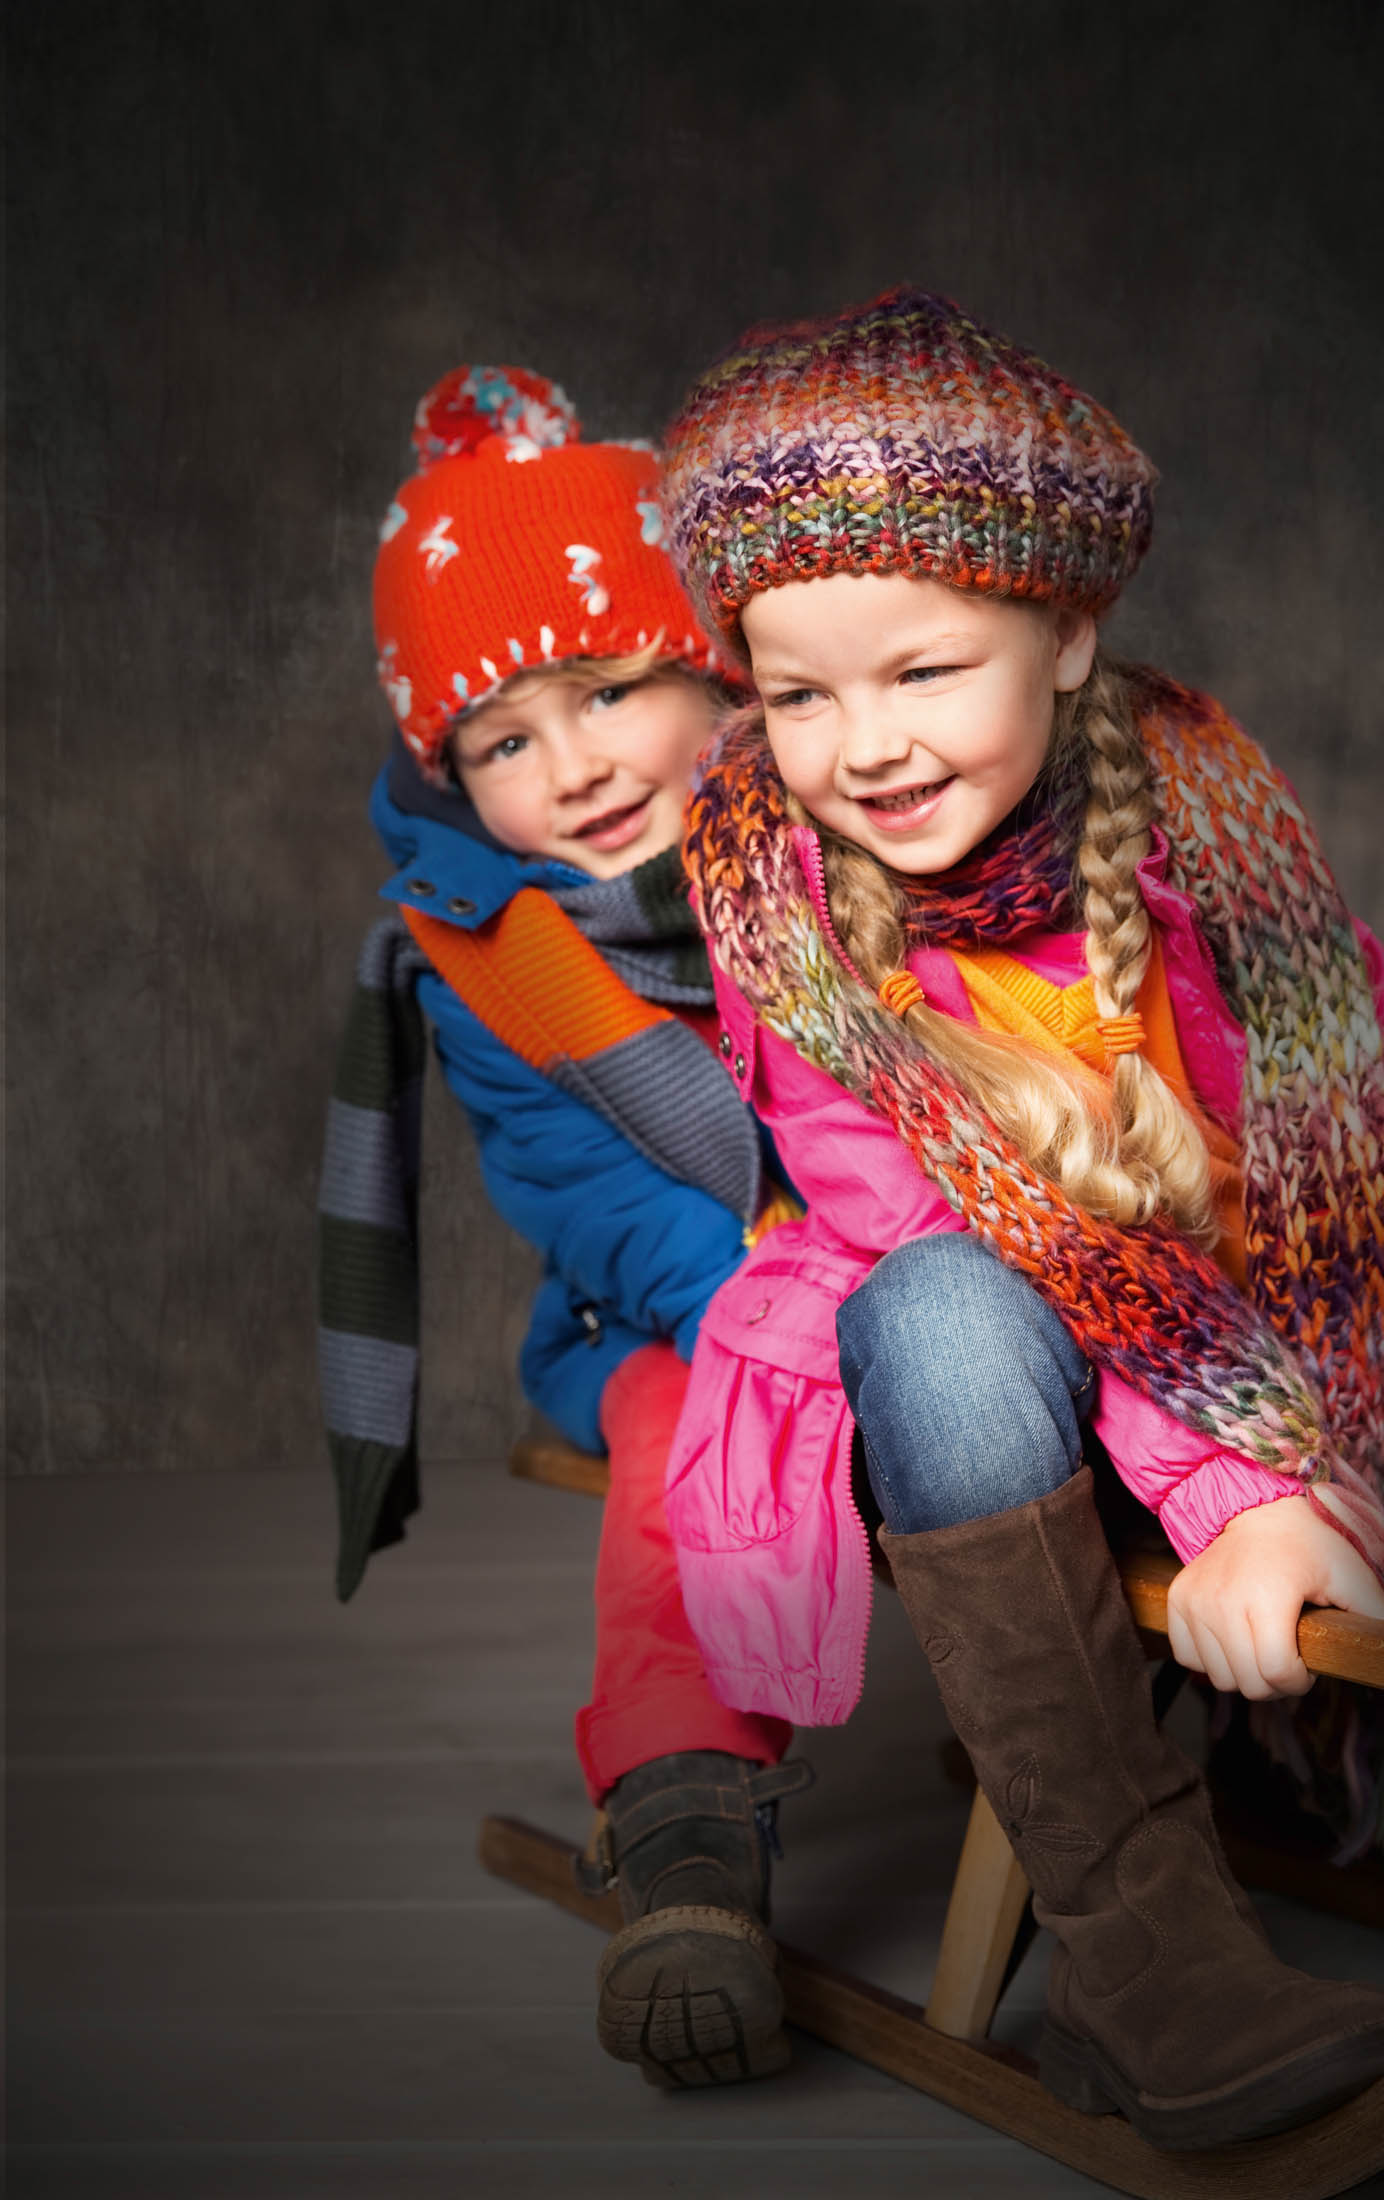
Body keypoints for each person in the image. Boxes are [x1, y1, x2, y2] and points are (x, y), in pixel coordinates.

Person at [656, 288, 1384, 2150]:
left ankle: (1350, 1743)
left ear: (1069, 635)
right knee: (941, 1296)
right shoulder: (782, 906)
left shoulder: (1213, 825)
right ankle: (1140, 1955)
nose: (860, 743)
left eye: (922, 671)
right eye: (798, 692)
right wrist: (1240, 1502)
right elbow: (1012, 1239)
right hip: (995, 1440)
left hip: (1293, 1386)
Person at [317, 364, 811, 2090]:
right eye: (501, 741)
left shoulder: (840, 820)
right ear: (450, 776)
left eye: (604, 694)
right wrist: (754, 1289)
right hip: (669, 1299)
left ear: (708, 665)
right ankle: (684, 1813)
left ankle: (1253, 1713)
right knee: (692, 1438)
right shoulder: (487, 944)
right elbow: (572, 1186)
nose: (574, 769)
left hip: (920, 1265)